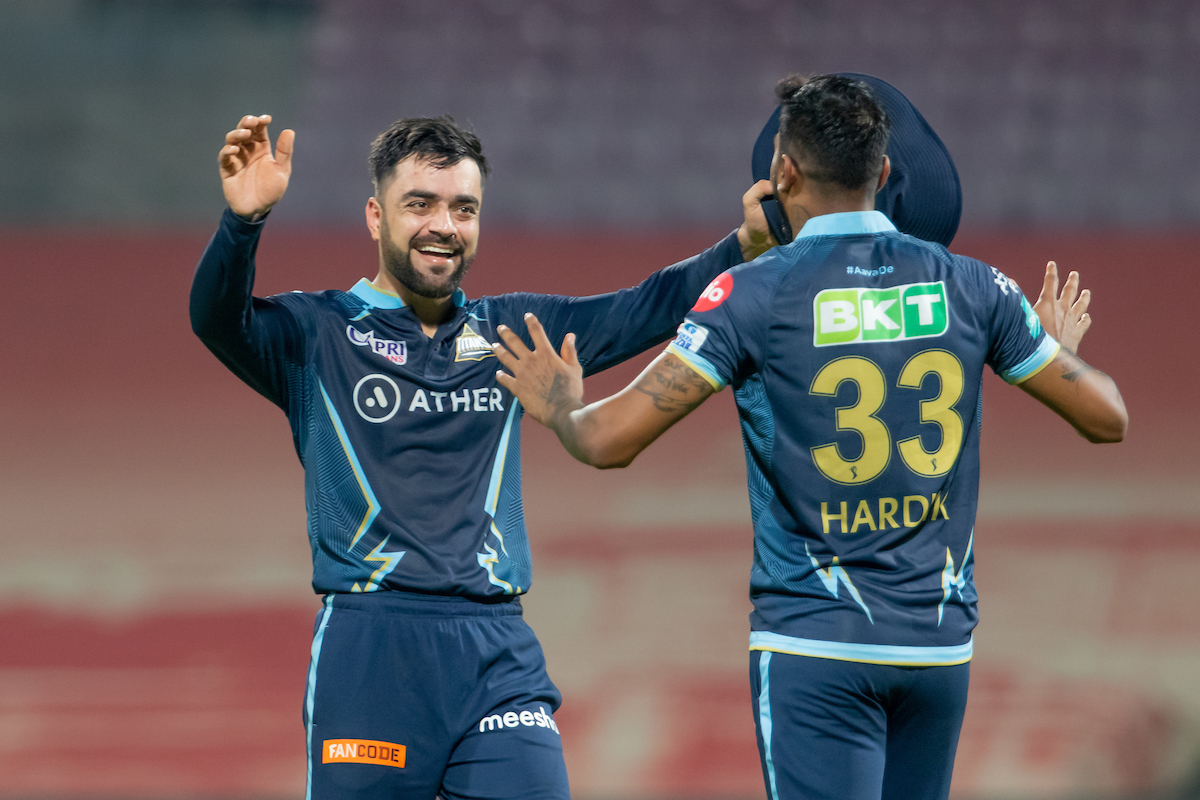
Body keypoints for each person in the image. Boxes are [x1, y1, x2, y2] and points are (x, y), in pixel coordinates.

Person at [491, 74, 1128, 800]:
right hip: (937, 651)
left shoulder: (752, 295)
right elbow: (1109, 418)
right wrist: (1056, 348)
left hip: (814, 645)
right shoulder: (977, 287)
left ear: (782, 172)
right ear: (885, 173)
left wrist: (560, 409)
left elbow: (608, 441)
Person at [189, 112, 779, 800]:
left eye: (463, 209)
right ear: (376, 217)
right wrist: (242, 225)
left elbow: (645, 307)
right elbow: (215, 318)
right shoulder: (315, 335)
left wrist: (745, 243)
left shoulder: (512, 333)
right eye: (421, 205)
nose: (445, 225)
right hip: (372, 651)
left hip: (496, 651)